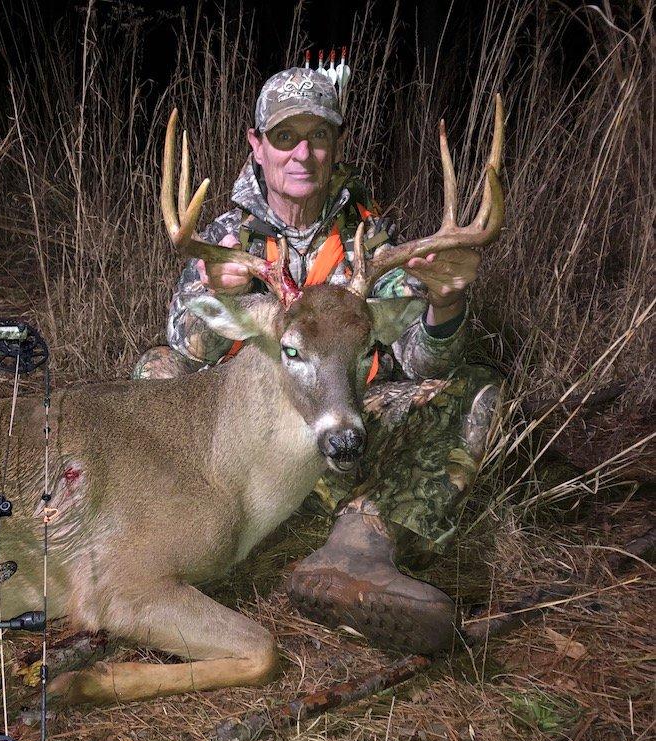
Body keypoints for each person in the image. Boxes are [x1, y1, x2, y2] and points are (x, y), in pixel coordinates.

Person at [133, 67, 501, 654]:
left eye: (319, 136)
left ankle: (359, 544)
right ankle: (176, 534)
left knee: (475, 390)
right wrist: (215, 293)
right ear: (257, 145)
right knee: (155, 371)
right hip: (248, 443)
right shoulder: (227, 237)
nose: (302, 153)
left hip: (349, 424)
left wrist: (445, 304)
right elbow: (182, 349)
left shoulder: (374, 245)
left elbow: (422, 361)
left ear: (335, 144)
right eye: (285, 137)